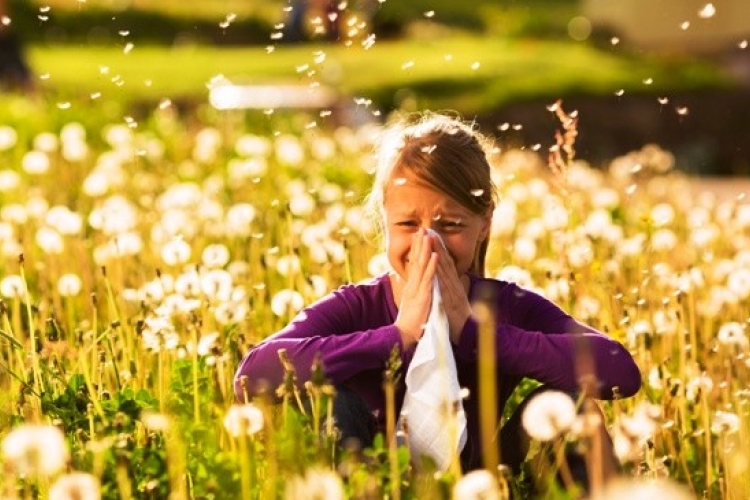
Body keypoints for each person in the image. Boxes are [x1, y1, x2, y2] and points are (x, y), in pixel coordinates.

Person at [234, 112, 642, 490]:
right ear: (384, 221)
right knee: (330, 402)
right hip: (369, 481)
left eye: (450, 225)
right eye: (408, 224)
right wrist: (398, 337)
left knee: (574, 407)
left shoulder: (506, 305)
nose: (428, 243)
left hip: (481, 484)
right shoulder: (357, 306)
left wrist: (477, 335)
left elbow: (619, 371)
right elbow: (252, 376)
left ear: (485, 225)